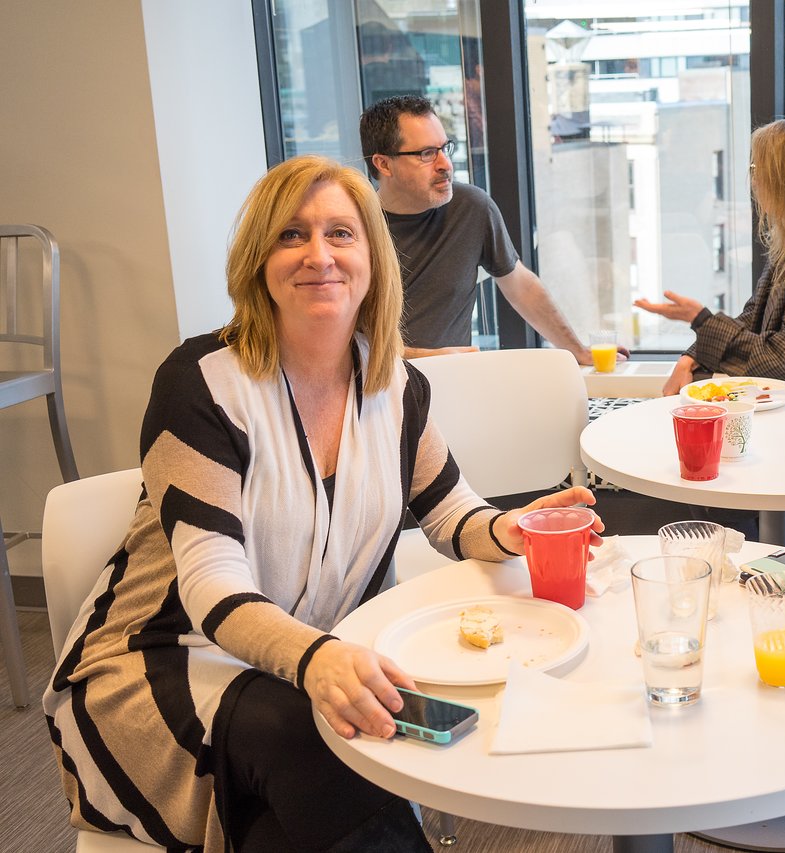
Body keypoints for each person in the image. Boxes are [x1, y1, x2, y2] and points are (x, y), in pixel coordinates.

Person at [43, 156, 604, 852]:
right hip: (159, 667)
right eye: (290, 236)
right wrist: (315, 661)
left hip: (307, 669)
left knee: (300, 815)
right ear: (258, 260)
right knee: (323, 746)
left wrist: (513, 528)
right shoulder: (199, 385)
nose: (318, 255)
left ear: (372, 256)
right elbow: (213, 584)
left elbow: (451, 513)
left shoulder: (394, 384)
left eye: (341, 233)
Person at [359, 95, 598, 364]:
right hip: (375, 390)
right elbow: (344, 337)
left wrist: (578, 351)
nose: (445, 164)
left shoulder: (471, 207)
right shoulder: (354, 226)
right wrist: (424, 358)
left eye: (445, 148)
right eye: (426, 154)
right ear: (383, 164)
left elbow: (521, 287)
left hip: (452, 384)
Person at [635, 115, 785, 396]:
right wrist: (693, 355)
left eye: (757, 167)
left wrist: (701, 321)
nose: (753, 180)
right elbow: (752, 318)